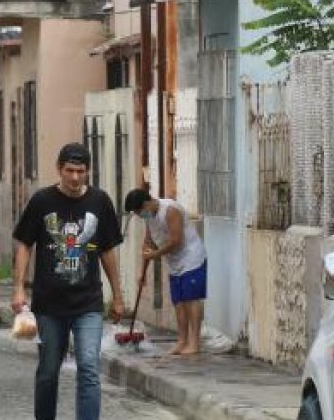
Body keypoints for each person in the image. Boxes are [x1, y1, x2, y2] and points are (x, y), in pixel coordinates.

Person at [11, 143, 124, 420]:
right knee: (49, 371)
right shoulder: (42, 201)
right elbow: (25, 244)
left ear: (88, 172)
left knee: (88, 368)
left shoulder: (100, 202)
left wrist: (118, 295)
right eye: (70, 171)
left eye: (81, 172)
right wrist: (18, 288)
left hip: (88, 303)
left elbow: (107, 250)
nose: (75, 178)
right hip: (49, 306)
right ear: (59, 169)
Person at [124, 188, 207, 356]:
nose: (139, 215)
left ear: (147, 203)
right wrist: (142, 273)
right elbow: (148, 242)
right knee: (178, 301)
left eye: (139, 211)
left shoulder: (170, 210)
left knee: (191, 299)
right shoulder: (149, 216)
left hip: (191, 258)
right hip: (174, 262)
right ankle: (182, 341)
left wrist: (155, 254)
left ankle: (194, 342)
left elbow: (177, 240)